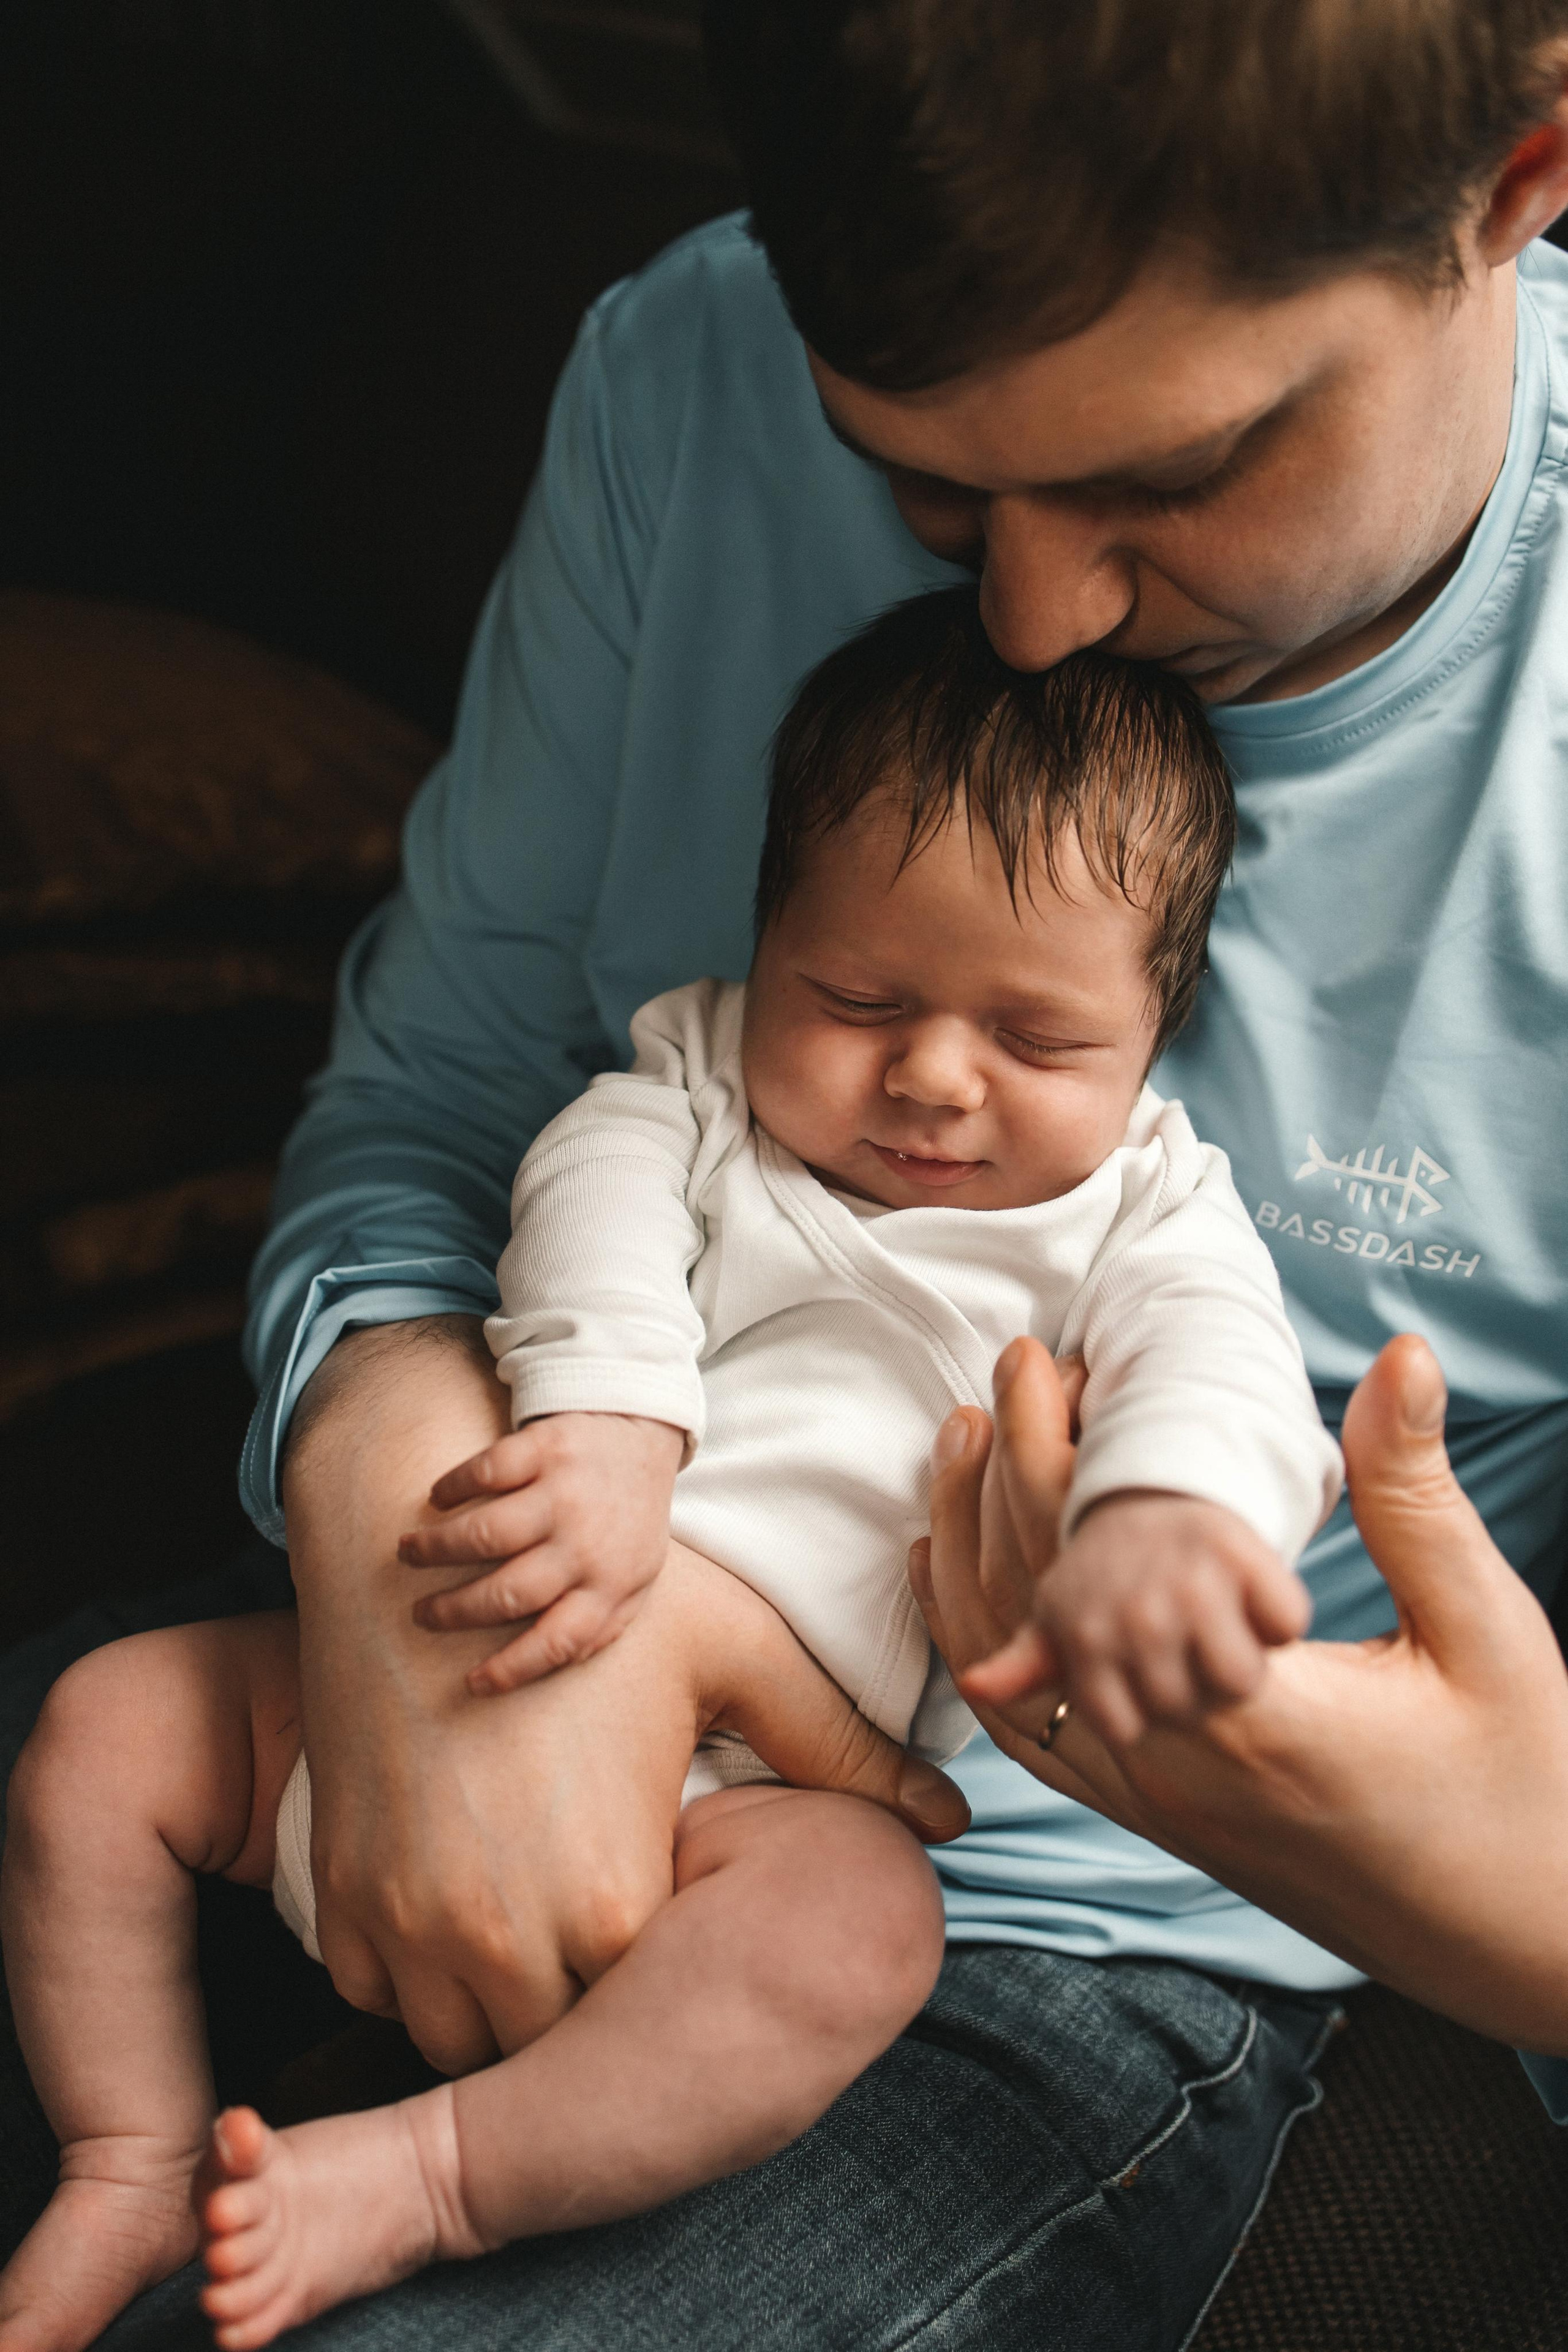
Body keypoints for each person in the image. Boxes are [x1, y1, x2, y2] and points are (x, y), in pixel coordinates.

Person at [5, 4, 1568, 2346]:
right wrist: (408, 1510)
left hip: (1022, 1916)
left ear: (1520, 186)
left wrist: (1467, 1872)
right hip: (473, 1587)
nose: (1027, 624)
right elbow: (443, 1104)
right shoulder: (693, 368)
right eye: (923, 493)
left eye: (1177, 468)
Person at [0, 597, 1343, 2352]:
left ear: (1151, 1035)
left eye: (1036, 1042)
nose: (933, 1077)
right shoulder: (690, 1085)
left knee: (860, 1936)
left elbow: (1224, 1366)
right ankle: (126, 2150)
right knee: (101, 1732)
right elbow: (595, 1211)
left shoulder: (1146, 1210)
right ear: (768, 939)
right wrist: (618, 1418)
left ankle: (432, 2176)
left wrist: (1169, 1518)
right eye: (856, 997)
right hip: (412, 1682)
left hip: (744, 1815)